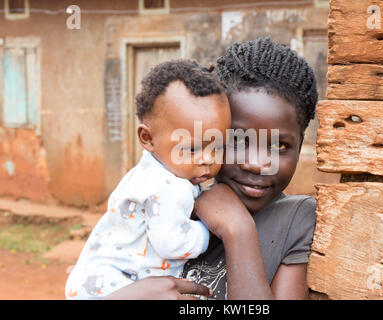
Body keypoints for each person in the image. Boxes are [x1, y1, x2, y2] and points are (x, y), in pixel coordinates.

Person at [105, 37, 318, 300]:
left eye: (279, 145)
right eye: (235, 140)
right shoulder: (172, 205)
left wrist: (238, 231)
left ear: (300, 146)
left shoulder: (295, 219)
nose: (256, 163)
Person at [65, 60, 231, 299]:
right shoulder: (170, 186)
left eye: (217, 146)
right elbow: (173, 243)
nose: (207, 159)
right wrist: (210, 229)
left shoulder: (147, 173)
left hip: (93, 279)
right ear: (147, 138)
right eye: (192, 148)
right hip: (114, 287)